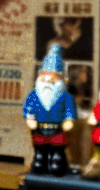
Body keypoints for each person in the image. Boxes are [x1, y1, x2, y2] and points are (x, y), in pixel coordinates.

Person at [22, 44, 76, 175]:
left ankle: (57, 163)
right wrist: (29, 118)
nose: (46, 80)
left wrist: (69, 119)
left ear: (63, 79)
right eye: (43, 75)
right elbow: (28, 107)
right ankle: (39, 162)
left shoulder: (65, 97)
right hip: (39, 129)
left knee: (57, 152)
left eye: (52, 77)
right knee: (39, 152)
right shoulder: (34, 95)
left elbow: (70, 109)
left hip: (57, 130)